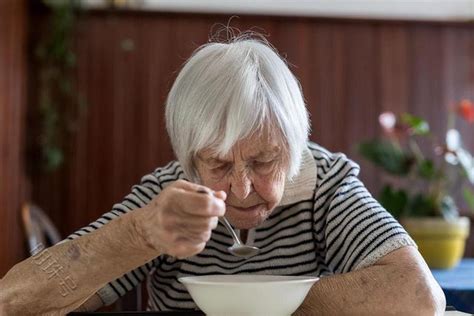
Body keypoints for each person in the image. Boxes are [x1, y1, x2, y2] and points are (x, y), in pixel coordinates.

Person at [0, 34, 445, 315]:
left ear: (293, 147)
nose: (242, 188)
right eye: (218, 164)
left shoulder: (325, 182)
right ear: (189, 159)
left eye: (264, 160)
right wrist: (141, 233)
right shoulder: (166, 196)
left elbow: (418, 295)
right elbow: (13, 302)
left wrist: (252, 304)